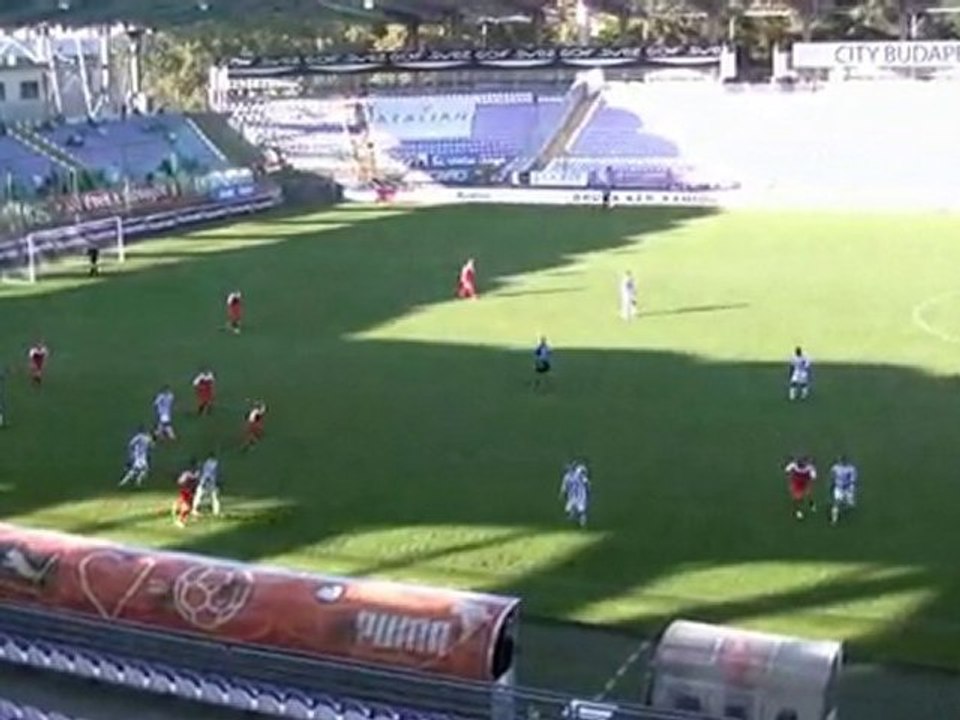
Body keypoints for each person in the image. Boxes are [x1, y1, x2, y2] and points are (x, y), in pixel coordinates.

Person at [785, 455, 817, 520]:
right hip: (796, 483)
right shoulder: (793, 465)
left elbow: (813, 477)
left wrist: (810, 481)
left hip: (805, 483)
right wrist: (790, 478)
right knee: (798, 498)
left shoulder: (809, 468)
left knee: (808, 495)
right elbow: (787, 471)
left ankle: (811, 504)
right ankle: (798, 511)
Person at [560, 460, 590, 527]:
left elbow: (586, 482)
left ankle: (582, 523)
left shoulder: (579, 474)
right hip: (572, 496)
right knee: (568, 510)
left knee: (581, 511)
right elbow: (564, 486)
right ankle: (573, 518)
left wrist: (587, 490)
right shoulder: (567, 476)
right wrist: (562, 493)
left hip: (581, 496)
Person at [829, 455, 858, 525]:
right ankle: (834, 520)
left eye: (842, 461)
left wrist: (851, 486)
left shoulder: (851, 468)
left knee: (850, 504)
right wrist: (833, 483)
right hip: (838, 488)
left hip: (848, 488)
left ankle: (845, 504)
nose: (841, 462)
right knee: (836, 503)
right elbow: (832, 475)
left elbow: (853, 479)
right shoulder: (835, 468)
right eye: (840, 461)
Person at [192, 453, 221, 517]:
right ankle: (216, 512)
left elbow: (202, 472)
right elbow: (216, 474)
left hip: (205, 482)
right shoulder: (215, 463)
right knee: (214, 498)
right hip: (211, 483)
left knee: (199, 496)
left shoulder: (205, 463)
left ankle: (195, 510)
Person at [173, 462, 199, 528]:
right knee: (186, 507)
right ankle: (179, 521)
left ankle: (176, 508)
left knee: (188, 506)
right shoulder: (186, 474)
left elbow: (196, 483)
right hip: (185, 492)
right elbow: (180, 482)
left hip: (191, 492)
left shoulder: (196, 474)